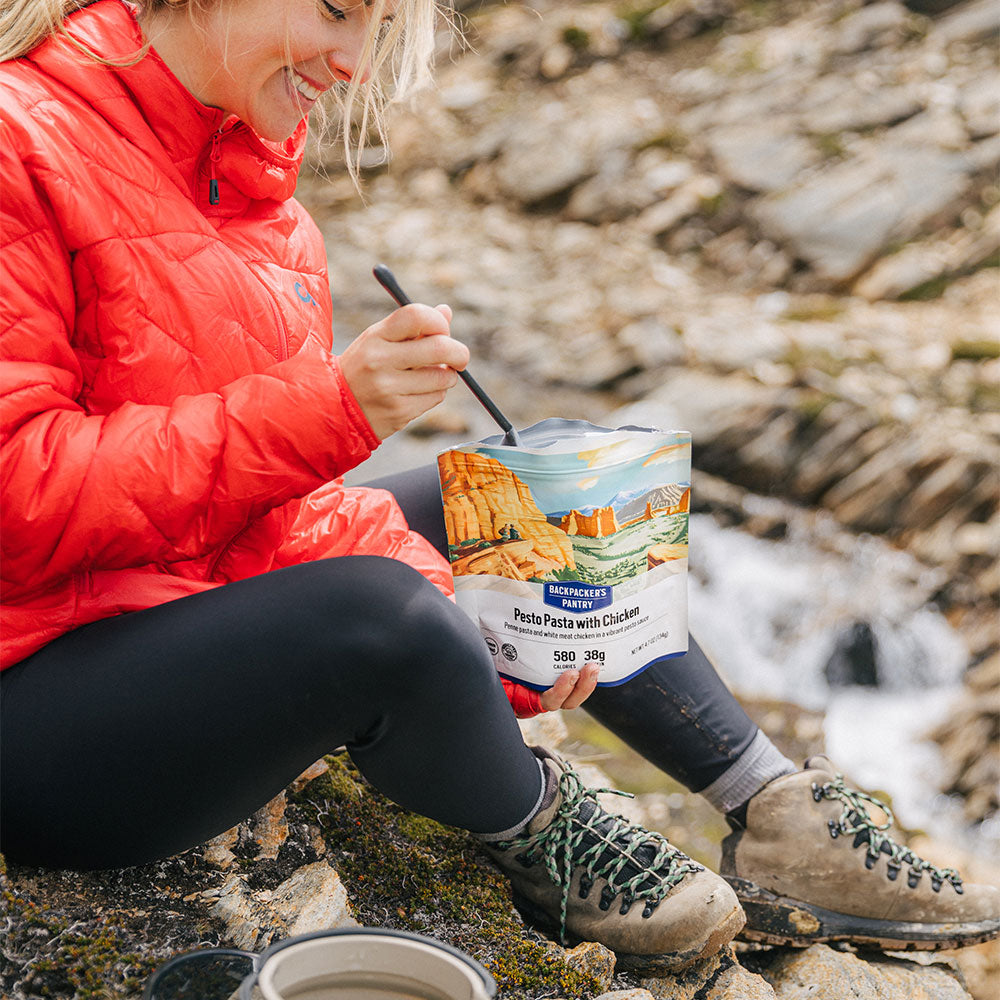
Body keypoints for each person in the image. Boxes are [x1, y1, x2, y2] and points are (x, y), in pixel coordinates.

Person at [0, 0, 995, 971]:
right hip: (42, 714)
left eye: (376, 31)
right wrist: (332, 413)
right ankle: (541, 829)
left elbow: (259, 523)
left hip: (177, 611)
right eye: (337, 12)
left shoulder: (264, 205)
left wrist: (494, 633)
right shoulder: (19, 138)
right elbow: (17, 498)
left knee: (543, 488)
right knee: (379, 615)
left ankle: (779, 816)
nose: (352, 62)